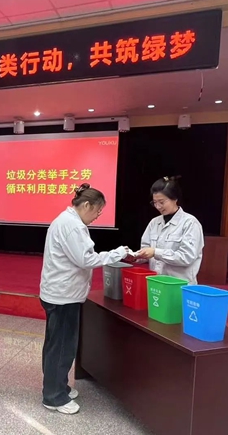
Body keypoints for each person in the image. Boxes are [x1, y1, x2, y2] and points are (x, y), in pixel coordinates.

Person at [39, 184, 129, 415]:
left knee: (57, 345)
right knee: (61, 347)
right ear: (86, 205)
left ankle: (58, 386)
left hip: (61, 293)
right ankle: (54, 397)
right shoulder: (72, 226)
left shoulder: (67, 220)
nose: (98, 216)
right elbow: (86, 259)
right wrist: (119, 253)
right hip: (63, 296)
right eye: (97, 211)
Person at [135, 176, 204, 285]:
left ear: (175, 199)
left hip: (179, 285)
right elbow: (146, 248)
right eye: (154, 202)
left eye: (161, 202)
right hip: (156, 282)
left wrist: (155, 252)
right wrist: (136, 256)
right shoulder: (154, 222)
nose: (158, 206)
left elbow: (187, 257)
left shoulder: (190, 223)